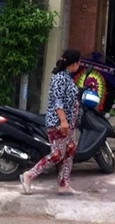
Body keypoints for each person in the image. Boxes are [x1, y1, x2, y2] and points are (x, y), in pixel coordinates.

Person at [20, 49, 82, 196]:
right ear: (73, 63)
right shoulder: (59, 78)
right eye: (79, 62)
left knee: (70, 151)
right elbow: (57, 101)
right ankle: (29, 175)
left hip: (69, 124)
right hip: (59, 124)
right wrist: (63, 121)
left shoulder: (68, 77)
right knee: (57, 154)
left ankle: (63, 184)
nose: (79, 65)